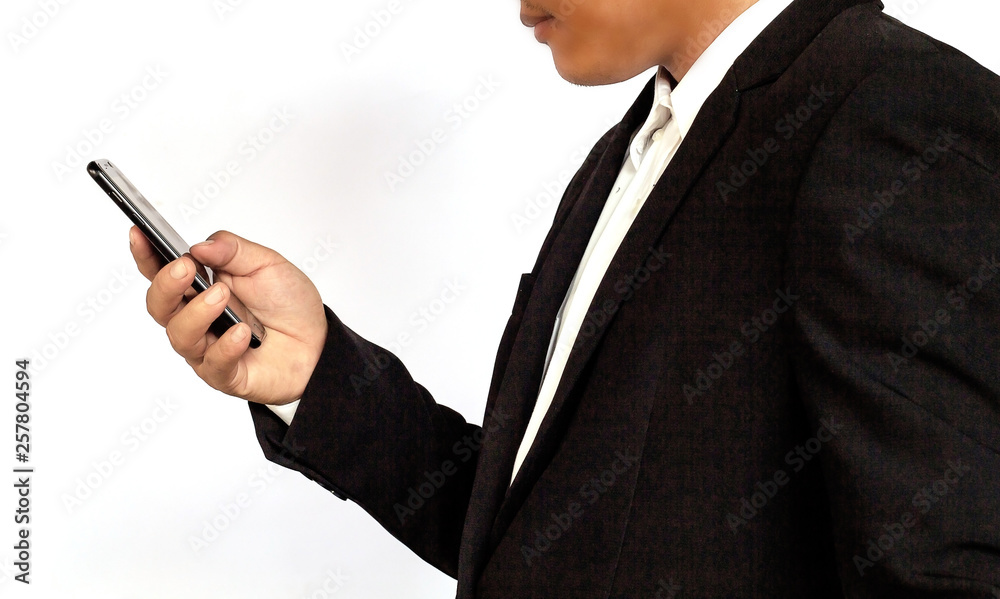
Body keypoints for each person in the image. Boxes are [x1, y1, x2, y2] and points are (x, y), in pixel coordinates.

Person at [129, 0, 1000, 596]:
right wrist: (316, 374)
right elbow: (537, 531)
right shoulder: (630, 156)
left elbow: (948, 566)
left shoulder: (894, 114)